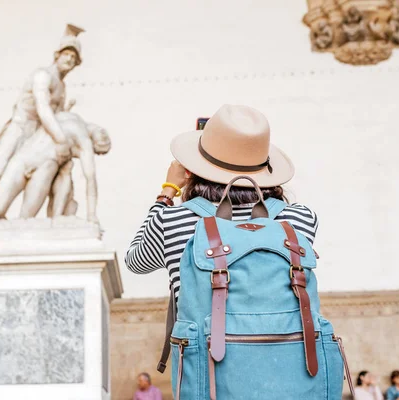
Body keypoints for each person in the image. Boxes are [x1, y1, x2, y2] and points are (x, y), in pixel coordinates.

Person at [125, 104, 318, 304]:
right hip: (289, 335)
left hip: (205, 335)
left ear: (191, 170)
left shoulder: (171, 221)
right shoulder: (300, 218)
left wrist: (167, 192)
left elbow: (135, 262)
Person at [0, 24, 85, 223]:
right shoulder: (43, 76)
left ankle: (51, 219)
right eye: (67, 55)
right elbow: (43, 109)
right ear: (57, 55)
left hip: (37, 137)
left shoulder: (62, 86)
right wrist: (60, 138)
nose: (70, 60)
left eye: (74, 59)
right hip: (19, 130)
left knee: (48, 173)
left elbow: (55, 117)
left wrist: (66, 115)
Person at [0, 112, 110, 221]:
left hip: (42, 170)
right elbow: (90, 178)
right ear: (94, 143)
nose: (95, 155)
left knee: (23, 219)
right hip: (24, 158)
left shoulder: (67, 114)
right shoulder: (84, 141)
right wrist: (92, 214)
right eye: (97, 152)